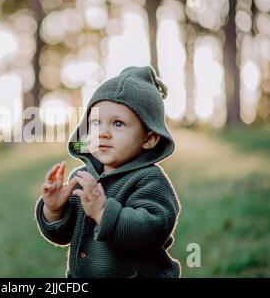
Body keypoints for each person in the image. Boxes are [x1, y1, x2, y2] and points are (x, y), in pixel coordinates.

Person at [34, 65, 181, 278]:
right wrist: (54, 210)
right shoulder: (83, 179)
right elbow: (62, 236)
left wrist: (103, 212)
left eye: (118, 124)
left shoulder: (150, 180)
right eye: (96, 122)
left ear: (148, 138)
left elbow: (153, 231)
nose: (103, 133)